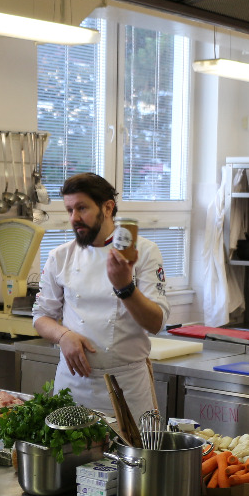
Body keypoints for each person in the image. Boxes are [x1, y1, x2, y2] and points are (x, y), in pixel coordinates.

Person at [33, 173, 169, 416]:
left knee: (129, 443)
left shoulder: (144, 252)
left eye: (82, 208)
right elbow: (41, 316)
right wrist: (63, 335)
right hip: (72, 385)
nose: (74, 218)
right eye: (69, 210)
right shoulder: (60, 256)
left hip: (127, 388)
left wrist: (125, 287)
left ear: (107, 208)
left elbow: (156, 323)